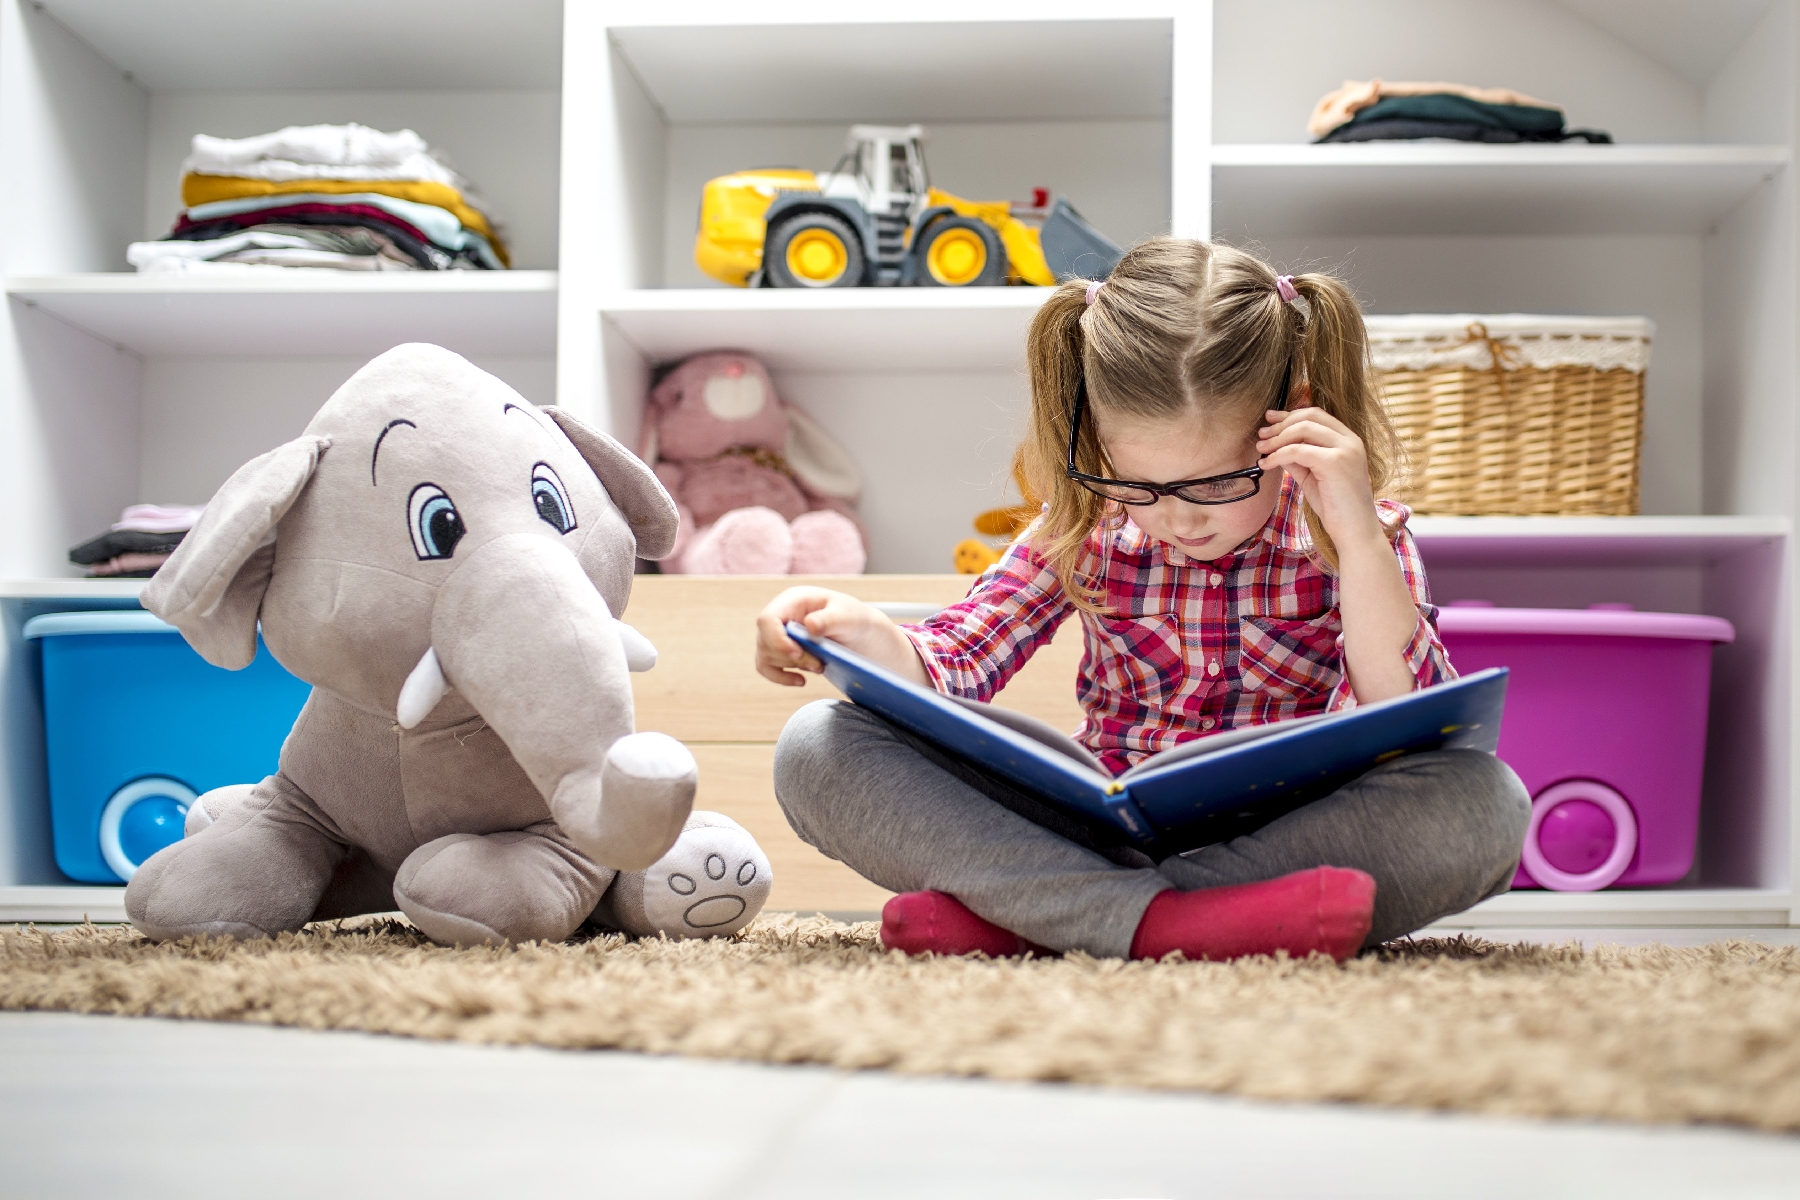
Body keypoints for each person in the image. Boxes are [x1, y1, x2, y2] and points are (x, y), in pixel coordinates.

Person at [755, 238, 1529, 962]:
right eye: (1139, 485)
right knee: (816, 744)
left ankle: (1041, 921)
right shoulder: (1087, 525)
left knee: (1484, 802)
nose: (1176, 519)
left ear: (1294, 418)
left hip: (1287, 836)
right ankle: (1183, 923)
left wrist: (1357, 540)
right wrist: (852, 631)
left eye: (1215, 484)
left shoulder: (1361, 534)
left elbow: (1409, 723)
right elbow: (957, 662)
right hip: (1094, 827)